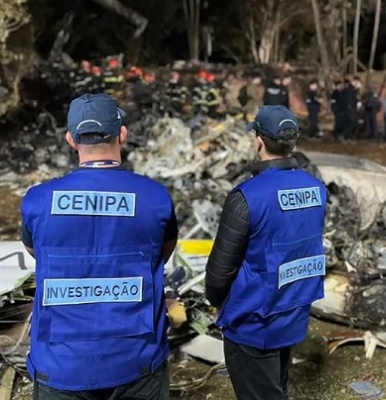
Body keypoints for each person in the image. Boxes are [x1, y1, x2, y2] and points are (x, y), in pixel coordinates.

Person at [20, 93, 178, 399]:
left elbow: (36, 253)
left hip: (60, 364)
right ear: (122, 134)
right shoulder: (155, 197)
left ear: (70, 139)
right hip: (136, 361)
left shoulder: (37, 201)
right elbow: (162, 252)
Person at [205, 105, 327, 400]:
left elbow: (220, 271)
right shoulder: (317, 189)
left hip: (252, 322)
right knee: (274, 386)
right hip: (292, 312)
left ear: (258, 140)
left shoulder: (247, 196)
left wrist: (216, 301)